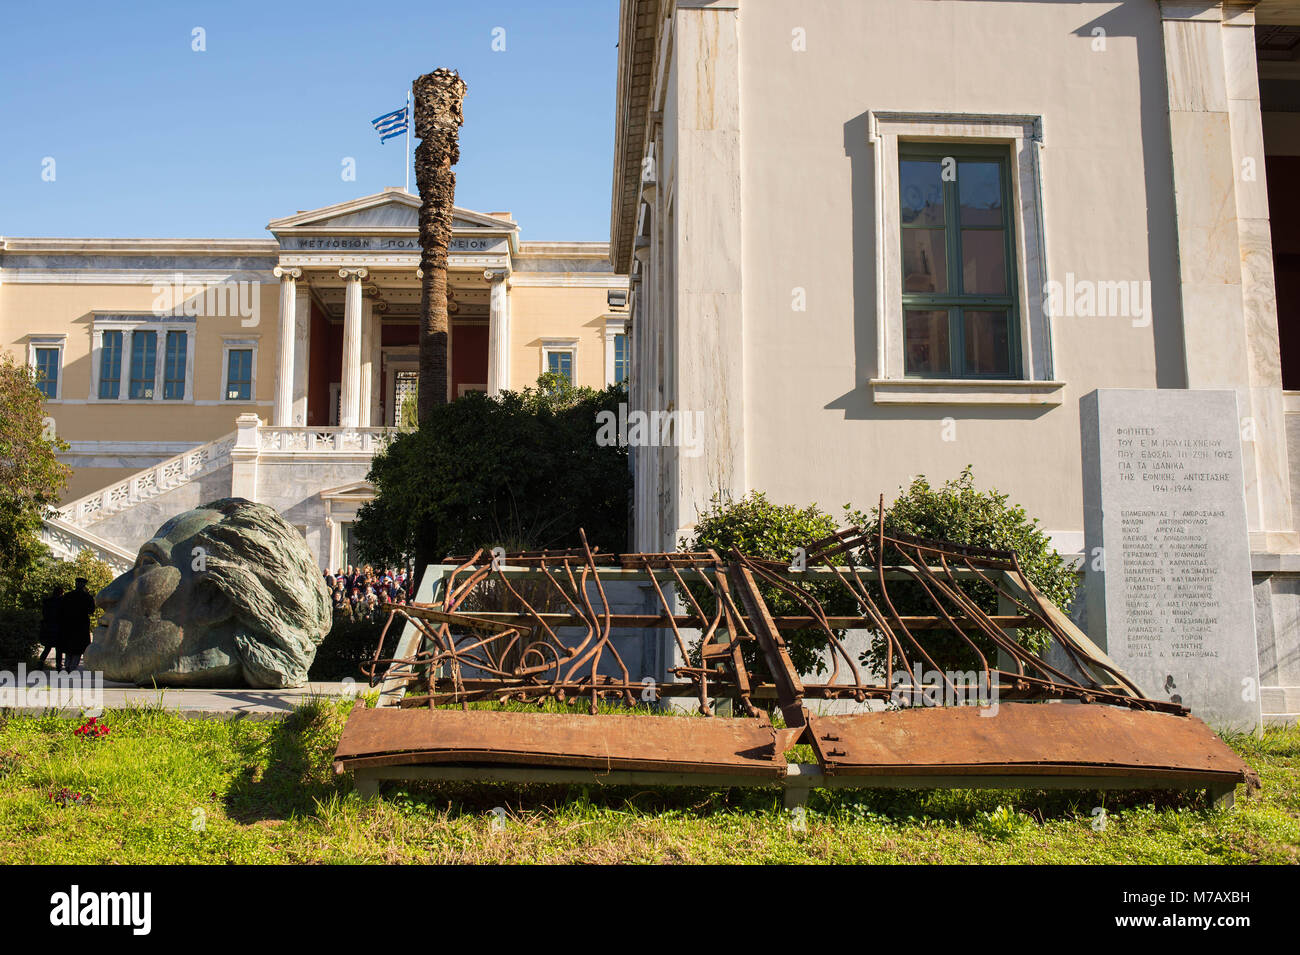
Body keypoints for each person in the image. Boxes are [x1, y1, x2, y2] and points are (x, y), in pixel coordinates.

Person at [59, 577, 96, 671]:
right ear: (84, 585)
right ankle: (72, 666)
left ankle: (67, 664)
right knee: (79, 647)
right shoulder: (87, 597)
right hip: (81, 625)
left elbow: (61, 609)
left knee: (69, 646)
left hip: (69, 624)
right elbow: (91, 611)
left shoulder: (68, 595)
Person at [37, 584, 65, 668]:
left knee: (47, 647)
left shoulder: (47, 601)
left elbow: (44, 614)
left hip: (48, 627)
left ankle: (40, 663)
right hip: (59, 627)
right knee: (59, 649)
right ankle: (58, 665)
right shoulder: (62, 602)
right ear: (61, 593)